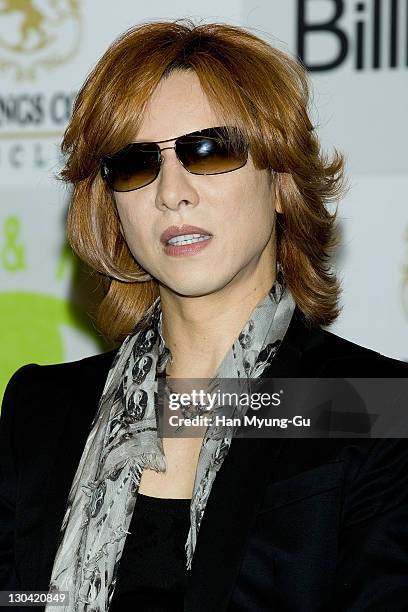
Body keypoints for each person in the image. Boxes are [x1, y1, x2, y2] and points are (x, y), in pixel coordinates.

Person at [1, 19, 408, 612]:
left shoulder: (371, 406)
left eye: (210, 150)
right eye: (137, 164)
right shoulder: (42, 408)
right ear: (112, 206)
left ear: (280, 180)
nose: (172, 192)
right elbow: (18, 598)